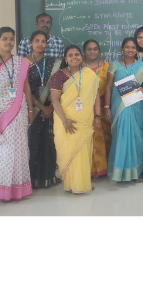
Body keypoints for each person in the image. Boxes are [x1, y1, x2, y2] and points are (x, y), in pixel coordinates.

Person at [0, 27, 33, 201]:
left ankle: (19, 189)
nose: (9, 42)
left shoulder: (20, 62)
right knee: (3, 151)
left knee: (20, 150)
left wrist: (30, 110)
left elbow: (26, 87)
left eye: (11, 39)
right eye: (4, 39)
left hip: (20, 112)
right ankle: (2, 189)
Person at [50, 45, 101, 194]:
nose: (74, 57)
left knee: (82, 152)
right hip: (64, 120)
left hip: (84, 119)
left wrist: (97, 115)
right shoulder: (58, 76)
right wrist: (65, 121)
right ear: (65, 59)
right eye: (70, 55)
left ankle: (82, 184)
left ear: (81, 57)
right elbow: (54, 100)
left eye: (77, 54)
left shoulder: (88, 74)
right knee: (68, 151)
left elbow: (95, 96)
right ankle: (70, 184)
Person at [105, 38, 143, 183]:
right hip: (119, 107)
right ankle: (120, 172)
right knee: (121, 137)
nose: (130, 50)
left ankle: (137, 172)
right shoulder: (114, 65)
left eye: (133, 47)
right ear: (122, 49)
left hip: (137, 106)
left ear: (136, 50)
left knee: (136, 138)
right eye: (127, 47)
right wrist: (106, 107)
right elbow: (108, 87)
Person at [25, 31, 62, 189]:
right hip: (31, 108)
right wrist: (41, 107)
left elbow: (59, 86)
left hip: (51, 108)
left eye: (43, 41)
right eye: (37, 41)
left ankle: (48, 177)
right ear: (30, 43)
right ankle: (30, 180)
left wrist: (51, 107)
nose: (40, 44)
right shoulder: (23, 63)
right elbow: (24, 89)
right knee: (32, 143)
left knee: (49, 143)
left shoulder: (54, 63)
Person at [83, 39, 113, 177]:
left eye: (95, 49)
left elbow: (111, 87)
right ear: (84, 52)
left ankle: (103, 169)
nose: (92, 51)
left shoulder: (106, 66)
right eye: (89, 49)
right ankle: (88, 170)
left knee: (105, 138)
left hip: (103, 108)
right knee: (87, 140)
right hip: (85, 110)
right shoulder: (79, 67)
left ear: (99, 51)